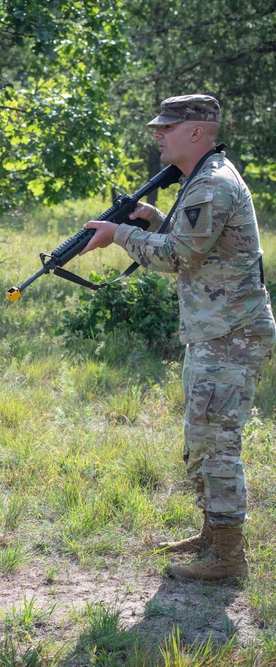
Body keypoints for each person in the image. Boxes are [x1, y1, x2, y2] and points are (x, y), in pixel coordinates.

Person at [81, 94, 276, 581]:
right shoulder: (201, 180)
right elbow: (196, 242)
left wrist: (120, 236)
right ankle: (214, 536)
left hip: (231, 334)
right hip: (216, 331)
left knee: (217, 446)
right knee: (201, 442)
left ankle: (229, 560)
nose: (158, 135)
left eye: (167, 127)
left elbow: (178, 257)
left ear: (196, 132)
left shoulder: (211, 184)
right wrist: (150, 219)